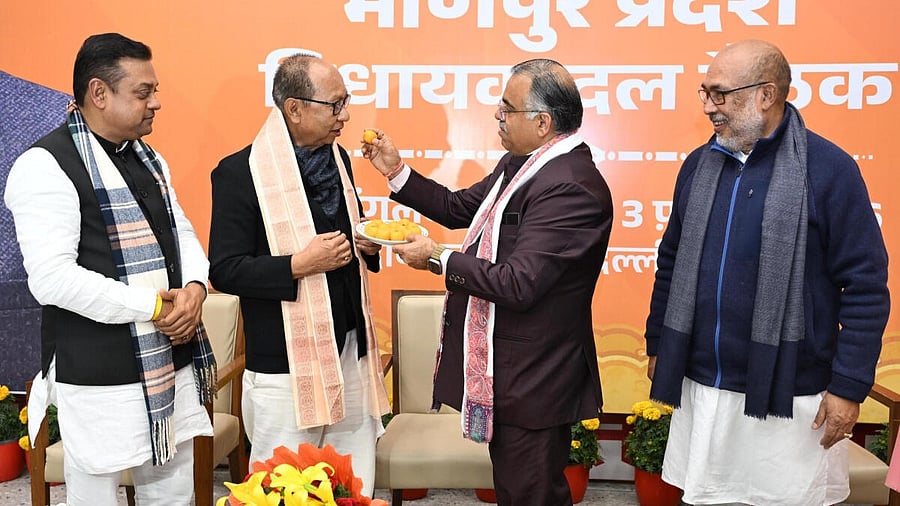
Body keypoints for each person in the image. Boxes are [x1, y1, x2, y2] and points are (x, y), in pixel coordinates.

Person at [644, 40, 890, 505]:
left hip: (791, 396)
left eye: (720, 94)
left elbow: (865, 287)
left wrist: (849, 385)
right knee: (707, 498)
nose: (708, 108)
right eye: (704, 93)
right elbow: (671, 261)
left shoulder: (829, 169)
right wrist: (659, 342)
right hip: (705, 386)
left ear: (766, 94)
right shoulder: (699, 165)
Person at [361, 58, 613, 506]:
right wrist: (395, 171)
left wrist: (438, 257)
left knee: (530, 495)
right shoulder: (521, 165)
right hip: (511, 374)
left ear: (542, 121)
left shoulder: (569, 185)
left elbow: (519, 283)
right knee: (521, 492)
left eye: (506, 109)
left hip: (535, 378)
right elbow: (459, 208)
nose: (498, 117)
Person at [4, 33, 216, 505]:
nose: (156, 103)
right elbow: (52, 278)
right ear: (99, 93)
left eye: (154, 90)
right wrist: (154, 305)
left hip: (168, 360)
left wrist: (197, 288)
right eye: (144, 93)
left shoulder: (149, 158)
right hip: (99, 372)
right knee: (95, 491)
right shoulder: (44, 165)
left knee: (174, 488)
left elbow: (181, 233)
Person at [207, 52, 390, 495]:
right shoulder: (239, 172)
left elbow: (349, 232)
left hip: (349, 347)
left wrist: (364, 244)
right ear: (295, 108)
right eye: (335, 105)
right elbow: (225, 270)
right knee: (281, 485)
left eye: (346, 103)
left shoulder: (339, 160)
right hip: (286, 363)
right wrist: (297, 265)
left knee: (350, 477)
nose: (345, 116)